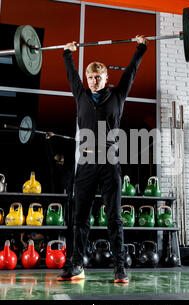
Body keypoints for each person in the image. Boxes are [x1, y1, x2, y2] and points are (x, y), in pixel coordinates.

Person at [57, 36, 147, 283]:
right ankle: (77, 266)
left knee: (114, 219)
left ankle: (119, 267)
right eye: (90, 78)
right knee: (80, 219)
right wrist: (67, 53)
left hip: (109, 164)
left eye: (98, 77)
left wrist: (141, 47)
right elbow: (71, 75)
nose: (93, 81)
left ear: (106, 78)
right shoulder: (81, 95)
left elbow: (131, 72)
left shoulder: (118, 96)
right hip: (85, 165)